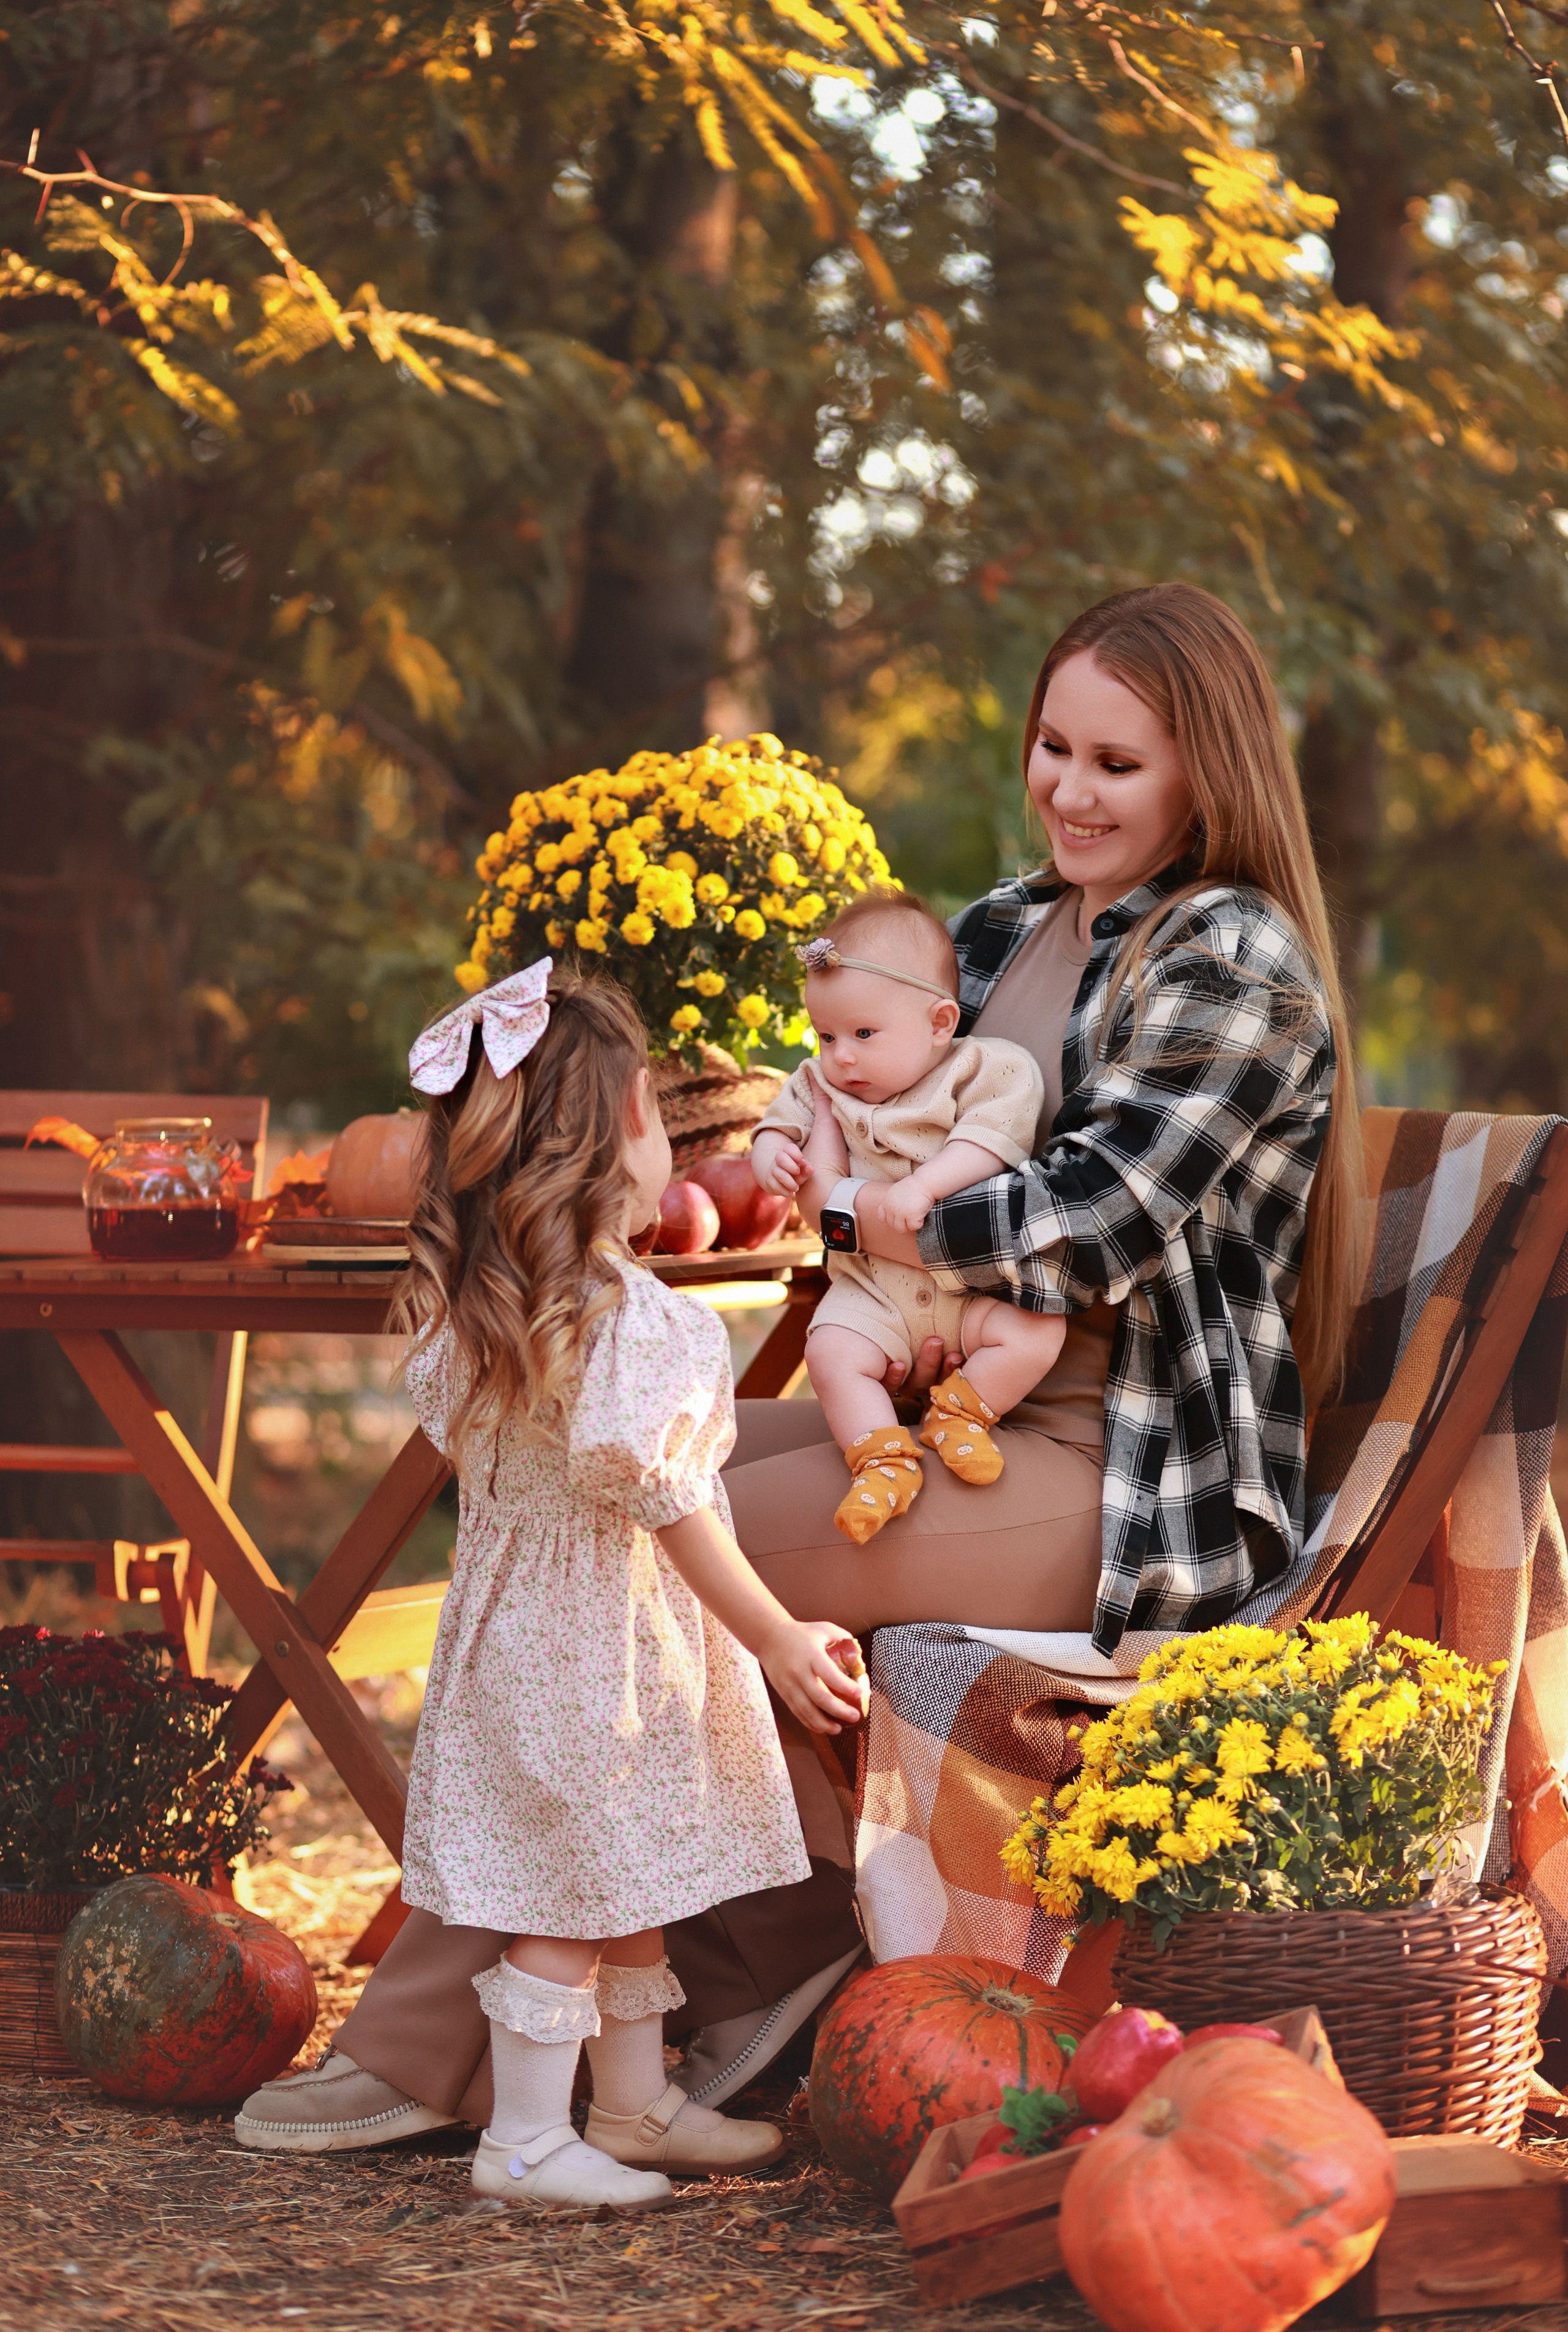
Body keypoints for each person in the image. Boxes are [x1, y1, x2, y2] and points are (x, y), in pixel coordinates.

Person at [238, 579, 1360, 2150]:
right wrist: (792, 1147)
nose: (1069, 789)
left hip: (1106, 1468)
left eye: (1118, 763)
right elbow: (848, 1111)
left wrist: (860, 1209)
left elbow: (1090, 1223)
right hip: (926, 1410)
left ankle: (434, 2047)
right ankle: (759, 1948)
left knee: (621, 1552)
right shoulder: (996, 928)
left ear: (1206, 771)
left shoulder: (1230, 955)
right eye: (1053, 745)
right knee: (574, 1485)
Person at [235, 960, 867, 2209]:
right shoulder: (634, 1321)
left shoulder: (491, 1307)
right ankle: (524, 2139)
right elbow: (672, 1506)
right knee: (571, 1898)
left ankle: (629, 2105)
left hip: (521, 1636)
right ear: (628, 1126)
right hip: (602, 1654)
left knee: (625, 1873)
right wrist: (777, 1637)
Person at [752, 891, 1065, 1539]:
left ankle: (961, 1414)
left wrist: (925, 1185)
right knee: (830, 1352)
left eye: (863, 1034)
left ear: (940, 1022)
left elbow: (990, 1141)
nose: (841, 1055)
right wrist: (771, 1155)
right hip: (873, 1294)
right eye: (826, 1035)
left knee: (1037, 1330)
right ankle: (882, 1459)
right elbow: (777, 1125)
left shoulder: (984, 1069)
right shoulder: (820, 1082)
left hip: (969, 1295)